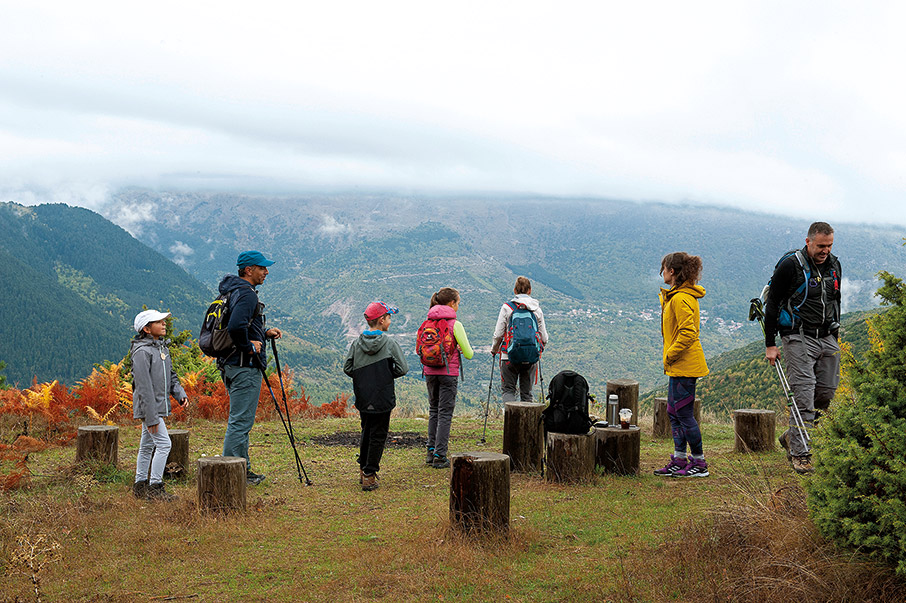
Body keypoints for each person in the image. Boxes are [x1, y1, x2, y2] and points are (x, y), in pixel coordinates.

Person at [764, 222, 841, 474]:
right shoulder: (790, 266)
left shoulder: (834, 265)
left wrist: (835, 337)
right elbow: (773, 303)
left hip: (827, 335)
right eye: (821, 246)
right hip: (797, 336)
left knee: (826, 396)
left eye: (829, 245)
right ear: (808, 242)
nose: (825, 251)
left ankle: (791, 436)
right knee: (804, 397)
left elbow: (834, 301)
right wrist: (770, 344)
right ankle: (801, 454)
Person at [218, 250, 283, 485]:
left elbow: (237, 324)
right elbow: (236, 327)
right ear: (248, 270)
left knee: (241, 420)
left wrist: (263, 334)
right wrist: (249, 348)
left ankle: (243, 469)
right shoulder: (247, 295)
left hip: (230, 364)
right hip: (244, 365)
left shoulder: (232, 292)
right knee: (241, 422)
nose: (266, 272)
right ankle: (232, 475)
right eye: (262, 268)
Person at [653, 252, 710, 478]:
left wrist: (670, 354)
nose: (662, 272)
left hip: (684, 364)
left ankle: (699, 463)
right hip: (678, 365)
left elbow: (688, 333)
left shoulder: (680, 298)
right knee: (673, 411)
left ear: (673, 271)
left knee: (684, 413)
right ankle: (679, 459)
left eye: (664, 268)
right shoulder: (676, 296)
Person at [344, 301, 409, 491]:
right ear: (382, 320)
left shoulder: (357, 343)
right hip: (383, 396)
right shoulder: (389, 343)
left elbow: (348, 368)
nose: (390, 321)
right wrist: (386, 375)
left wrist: (364, 378)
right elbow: (402, 368)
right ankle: (369, 474)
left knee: (366, 430)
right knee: (379, 434)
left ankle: (363, 467)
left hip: (363, 396)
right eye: (389, 317)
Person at [131, 309, 187, 501]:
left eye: (164, 321)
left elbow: (171, 376)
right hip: (150, 409)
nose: (164, 324)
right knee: (164, 444)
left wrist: (179, 394)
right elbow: (143, 388)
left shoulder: (161, 348)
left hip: (157, 407)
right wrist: (151, 417)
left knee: (147, 445)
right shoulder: (142, 352)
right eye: (159, 322)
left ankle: (140, 486)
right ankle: (156, 487)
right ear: (147, 328)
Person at [421, 287, 474, 468]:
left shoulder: (427, 322)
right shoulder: (455, 325)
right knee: (445, 413)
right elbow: (469, 354)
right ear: (451, 303)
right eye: (458, 303)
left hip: (429, 372)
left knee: (433, 410)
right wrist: (457, 348)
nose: (458, 306)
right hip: (448, 374)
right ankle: (440, 455)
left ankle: (430, 451)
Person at [491, 276, 550, 402]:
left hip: (509, 355)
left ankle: (510, 420)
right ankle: (526, 421)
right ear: (530, 290)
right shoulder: (536, 309)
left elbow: (498, 334)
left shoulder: (507, 308)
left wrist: (494, 349)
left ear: (515, 291)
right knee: (527, 393)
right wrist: (539, 348)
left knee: (508, 390)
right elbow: (544, 337)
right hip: (530, 356)